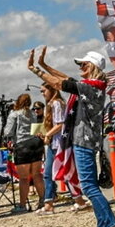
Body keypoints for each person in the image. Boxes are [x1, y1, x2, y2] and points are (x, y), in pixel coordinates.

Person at [28, 47, 115, 227]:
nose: (80, 66)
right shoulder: (92, 86)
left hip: (84, 140)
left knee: (88, 186)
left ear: (91, 66)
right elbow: (67, 79)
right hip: (83, 140)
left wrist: (34, 69)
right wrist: (44, 65)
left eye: (82, 64)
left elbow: (59, 83)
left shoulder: (92, 87)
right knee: (88, 185)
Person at [37, 82, 90, 215]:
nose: (42, 94)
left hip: (59, 143)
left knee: (57, 172)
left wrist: (47, 134)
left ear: (51, 90)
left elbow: (60, 124)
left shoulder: (57, 104)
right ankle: (72, 200)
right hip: (53, 143)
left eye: (44, 91)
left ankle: (55, 203)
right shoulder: (52, 104)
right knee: (53, 173)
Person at [3, 93, 46, 212]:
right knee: (37, 174)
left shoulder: (15, 114)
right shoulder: (33, 113)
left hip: (22, 145)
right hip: (36, 143)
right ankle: (43, 200)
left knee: (24, 178)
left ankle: (22, 205)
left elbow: (8, 132)